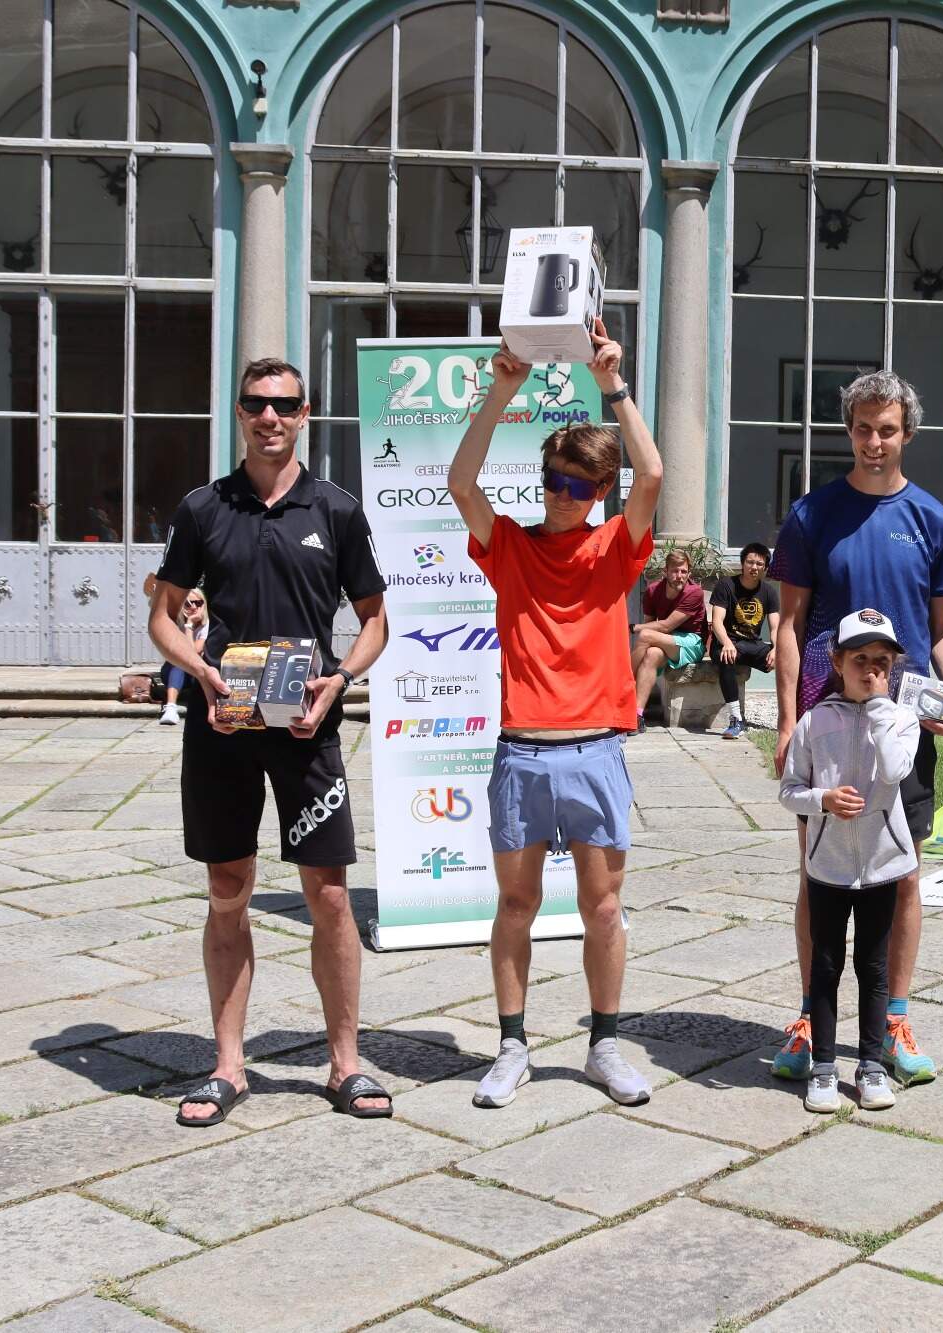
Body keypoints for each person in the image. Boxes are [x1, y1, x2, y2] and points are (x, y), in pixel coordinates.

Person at [149, 356, 392, 1127]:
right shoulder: (203, 508)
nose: (270, 418)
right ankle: (228, 1065)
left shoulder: (337, 509)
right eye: (256, 404)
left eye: (284, 406)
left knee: (330, 895)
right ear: (239, 412)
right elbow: (162, 617)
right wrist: (200, 672)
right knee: (228, 890)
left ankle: (345, 1062)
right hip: (222, 725)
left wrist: (339, 679)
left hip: (306, 727)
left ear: (305, 413)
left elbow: (375, 621)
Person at [452, 319, 662, 1110]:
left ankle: (604, 1044)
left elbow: (653, 473)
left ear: (599, 492)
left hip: (596, 750)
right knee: (516, 906)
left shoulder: (615, 547)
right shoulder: (509, 545)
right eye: (552, 481)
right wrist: (500, 392)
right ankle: (512, 1047)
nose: (561, 496)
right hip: (522, 751)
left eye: (577, 487)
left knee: (603, 907)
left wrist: (614, 386)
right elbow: (462, 484)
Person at [769, 370, 943, 1090]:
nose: (873, 442)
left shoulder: (935, 521)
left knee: (903, 872)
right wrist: (788, 720)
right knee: (818, 873)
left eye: (886, 430)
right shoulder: (811, 514)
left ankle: (892, 1020)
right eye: (862, 428)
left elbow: (942, 630)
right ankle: (812, 1019)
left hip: (903, 725)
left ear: (907, 434)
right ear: (849, 431)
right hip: (826, 725)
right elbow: (791, 623)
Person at [778, 609, 921, 1113]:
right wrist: (822, 799)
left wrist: (880, 707)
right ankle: (822, 1068)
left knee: (874, 967)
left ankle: (871, 1065)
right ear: (837, 662)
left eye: (882, 661)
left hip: (882, 865)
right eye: (860, 659)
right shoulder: (814, 722)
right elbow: (788, 791)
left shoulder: (902, 720)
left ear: (893, 668)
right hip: (829, 867)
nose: (871, 670)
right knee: (826, 965)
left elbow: (895, 770)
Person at [709, 541, 780, 740]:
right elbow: (717, 622)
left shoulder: (769, 592)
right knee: (726, 658)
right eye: (750, 562)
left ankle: (792, 715)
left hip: (753, 644)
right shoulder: (726, 585)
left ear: (765, 568)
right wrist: (726, 643)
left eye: (759, 564)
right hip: (727, 642)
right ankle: (736, 719)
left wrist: (776, 649)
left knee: (788, 659)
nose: (754, 567)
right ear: (742, 563)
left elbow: (775, 628)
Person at [629, 550, 706, 728]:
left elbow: (665, 626)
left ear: (689, 573)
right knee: (652, 654)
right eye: (675, 571)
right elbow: (650, 624)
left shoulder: (694, 592)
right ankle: (636, 714)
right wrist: (644, 630)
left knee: (645, 635)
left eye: (684, 571)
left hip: (693, 642)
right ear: (665, 571)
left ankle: (622, 686)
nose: (679, 576)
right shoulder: (653, 591)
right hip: (667, 641)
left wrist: (633, 628)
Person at [158, 590, 209, 726]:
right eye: (188, 604)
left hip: (195, 675)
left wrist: (189, 625)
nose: (193, 607)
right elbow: (181, 654)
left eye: (198, 603)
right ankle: (170, 708)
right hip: (173, 671)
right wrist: (187, 625)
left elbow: (191, 653)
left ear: (204, 605)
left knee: (183, 660)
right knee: (179, 662)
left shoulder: (207, 626)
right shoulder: (175, 624)